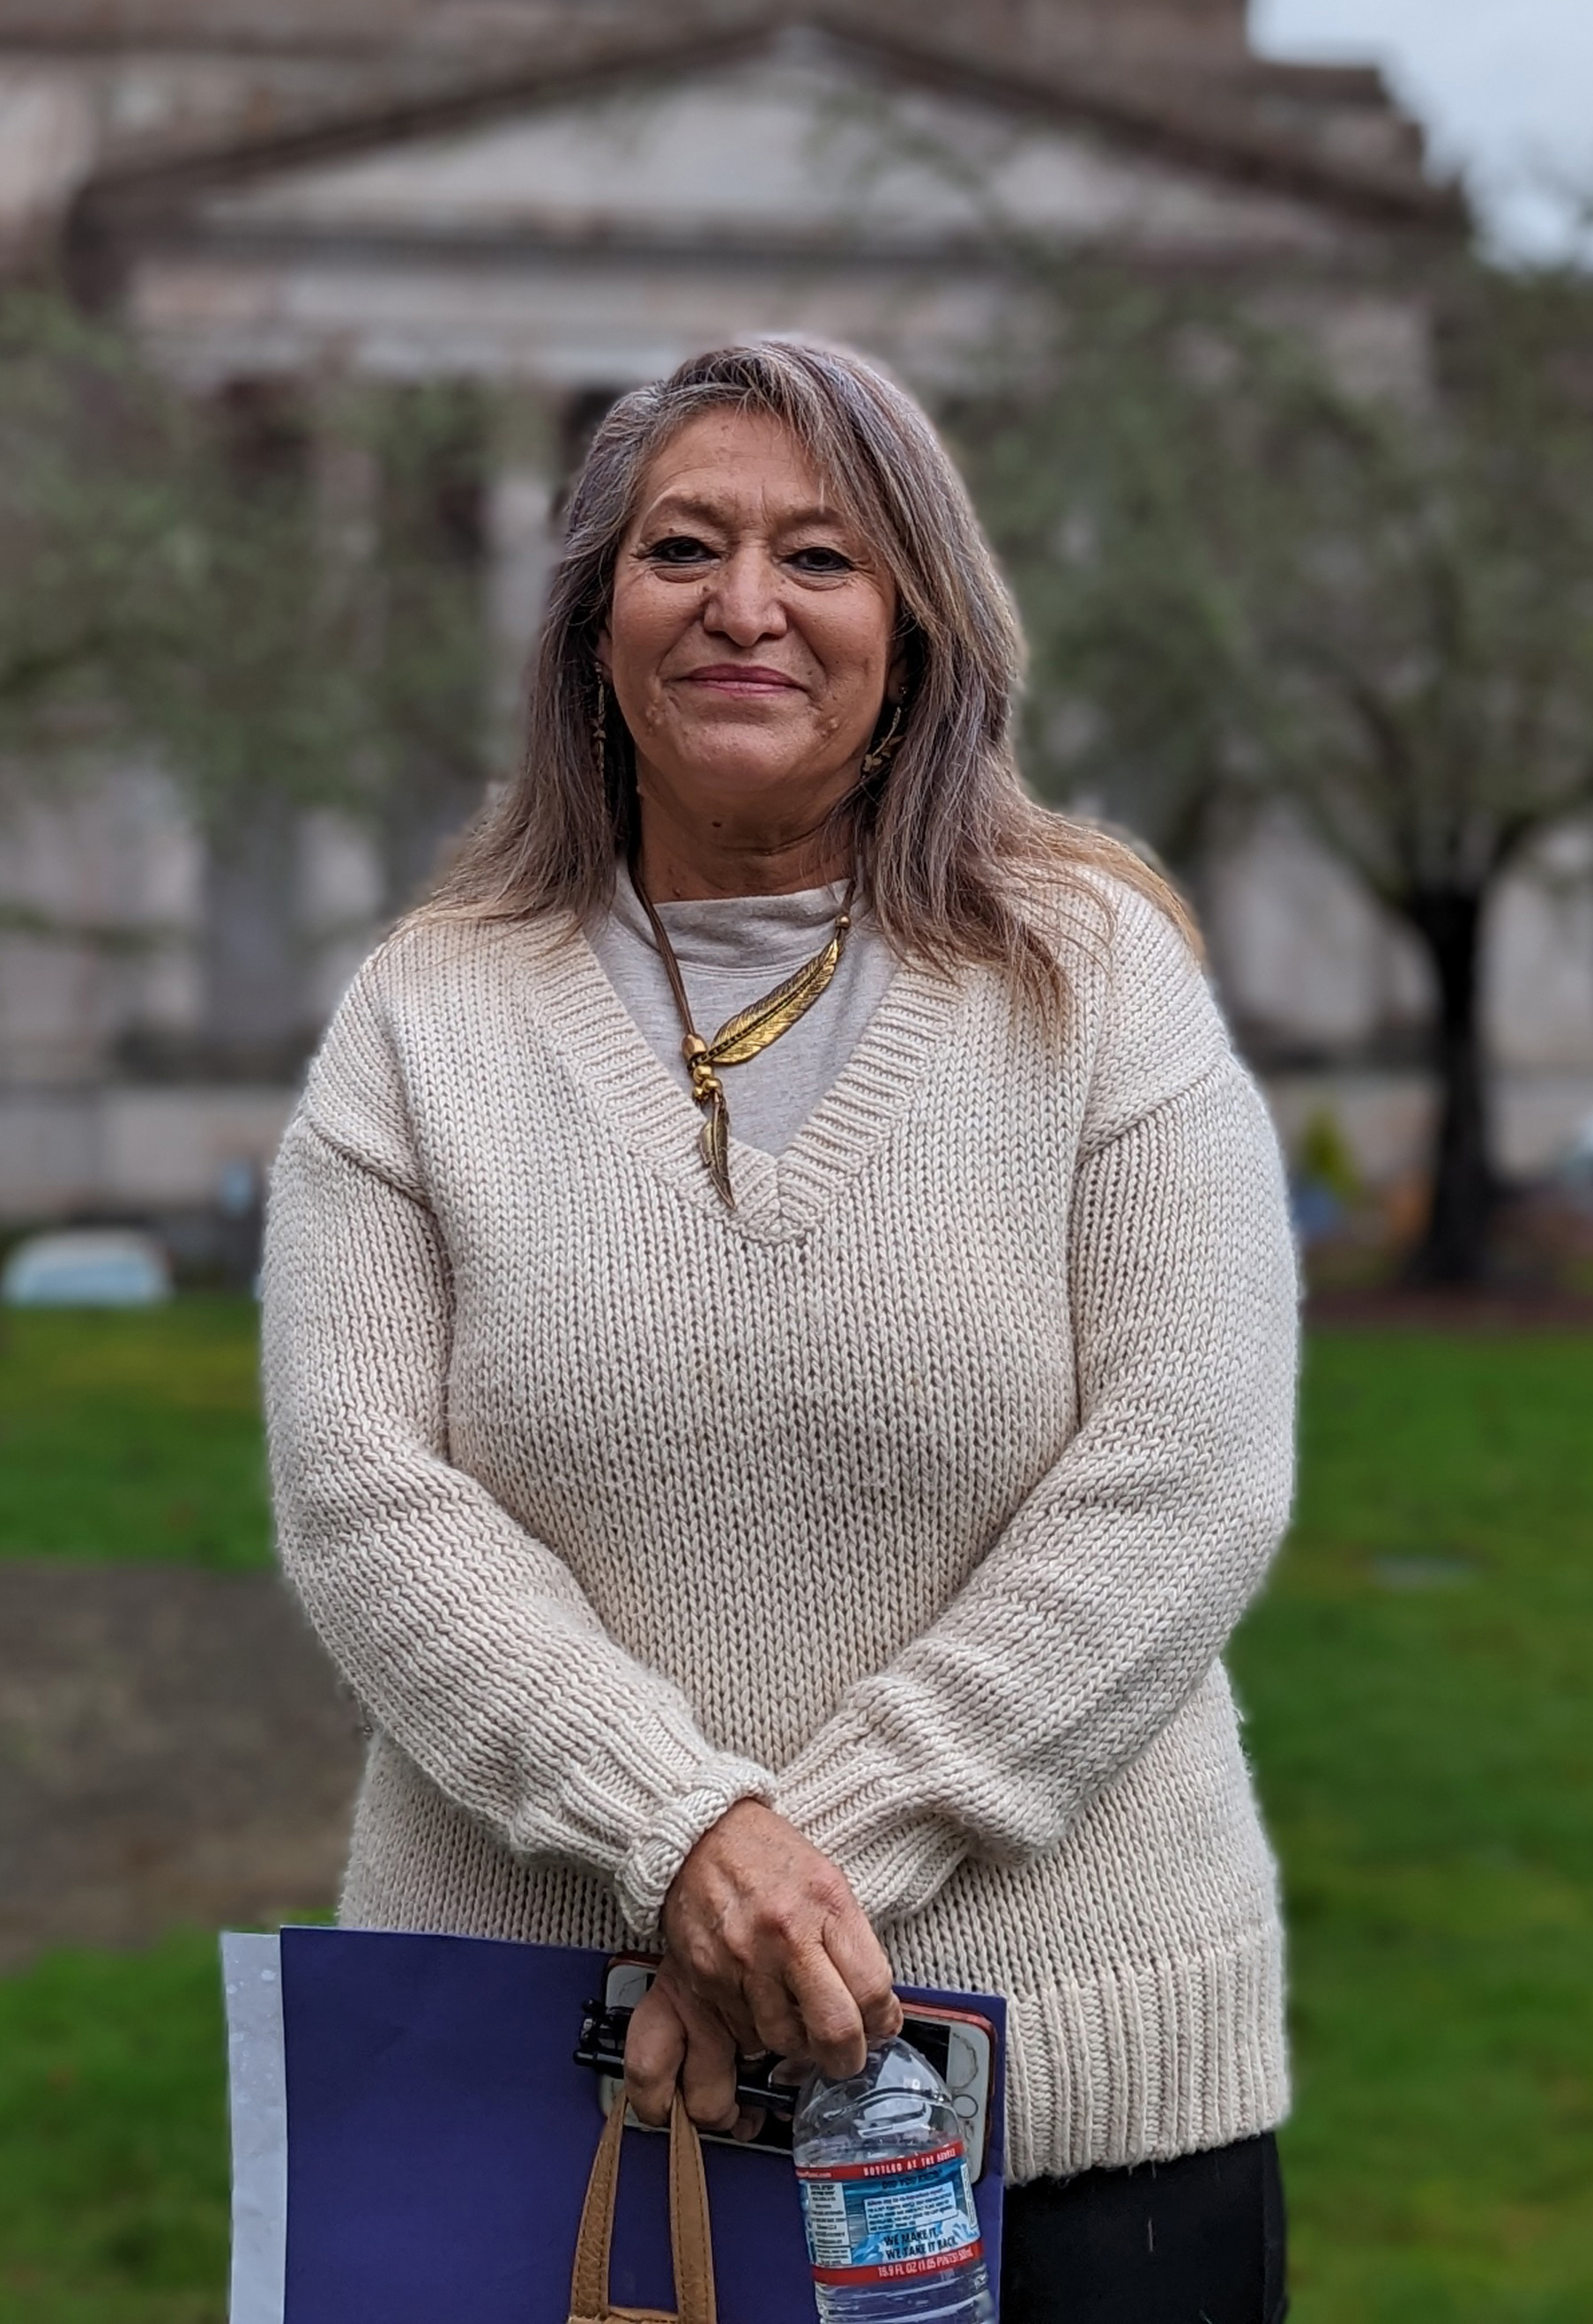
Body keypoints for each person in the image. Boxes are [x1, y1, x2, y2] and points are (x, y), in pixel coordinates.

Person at [261, 339, 1299, 2321]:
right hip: (534, 2104)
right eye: (684, 548)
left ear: (915, 634)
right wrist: (677, 1834)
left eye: (820, 555)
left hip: (1078, 2087)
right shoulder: (426, 1014)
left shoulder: (1098, 983)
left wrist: (777, 1878)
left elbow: (1185, 1476)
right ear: (591, 627)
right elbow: (367, 1504)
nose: (747, 604)